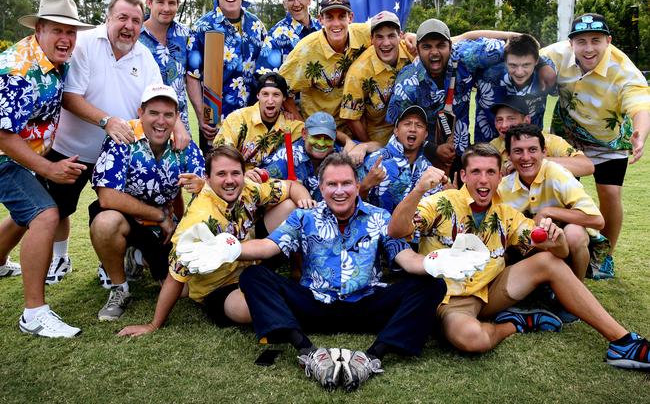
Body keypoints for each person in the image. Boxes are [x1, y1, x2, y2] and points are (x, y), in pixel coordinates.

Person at [388, 143, 650, 371]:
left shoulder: (506, 215)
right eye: (476, 172)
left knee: (548, 262)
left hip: (490, 291)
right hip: (448, 298)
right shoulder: (441, 203)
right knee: (471, 339)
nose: (483, 180)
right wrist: (419, 189)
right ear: (463, 175)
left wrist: (555, 238)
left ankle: (622, 341)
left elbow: (557, 252)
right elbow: (397, 230)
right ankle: (516, 323)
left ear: (499, 176)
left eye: (491, 172)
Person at [225, 153, 447, 391]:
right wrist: (227, 248)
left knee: (432, 284)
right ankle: (308, 352)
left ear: (357, 185)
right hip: (314, 305)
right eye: (332, 184)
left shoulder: (379, 216)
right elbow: (267, 247)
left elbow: (408, 259)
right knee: (253, 276)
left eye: (346, 183)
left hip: (367, 304)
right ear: (321, 188)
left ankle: (372, 357)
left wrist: (441, 262)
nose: (339, 191)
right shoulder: (303, 216)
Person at [43, 0, 179, 286]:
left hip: (120, 155)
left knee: (115, 211)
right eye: (122, 18)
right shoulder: (86, 43)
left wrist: (178, 128)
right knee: (57, 210)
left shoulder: (145, 58)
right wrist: (106, 121)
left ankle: (112, 264)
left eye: (135, 20)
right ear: (108, 18)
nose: (128, 26)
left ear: (142, 24)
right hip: (72, 148)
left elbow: (160, 102)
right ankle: (60, 257)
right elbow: (69, 96)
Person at [117, 145, 314, 335]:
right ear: (208, 179)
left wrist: (307, 203)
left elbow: (291, 187)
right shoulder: (198, 220)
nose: (230, 180)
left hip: (253, 259)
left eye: (235, 173)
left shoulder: (248, 188)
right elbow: (175, 277)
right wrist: (153, 325)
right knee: (252, 309)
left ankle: (303, 271)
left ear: (243, 174)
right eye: (221, 174)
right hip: (220, 285)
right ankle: (143, 258)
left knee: (291, 207)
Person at [0, 0, 93, 337]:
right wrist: (49, 167)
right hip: (5, 156)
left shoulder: (56, 59)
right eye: (57, 30)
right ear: (39, 29)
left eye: (71, 31)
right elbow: (3, 136)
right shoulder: (18, 70)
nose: (66, 38)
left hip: (22, 153)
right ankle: (34, 314)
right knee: (45, 214)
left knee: (26, 213)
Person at [541, 13, 650, 277]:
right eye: (581, 41)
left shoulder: (624, 71)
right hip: (569, 137)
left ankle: (605, 256)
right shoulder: (556, 54)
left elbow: (640, 105)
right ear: (571, 44)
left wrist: (641, 132)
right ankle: (567, 245)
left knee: (610, 194)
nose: (589, 48)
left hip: (609, 142)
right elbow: (522, 52)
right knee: (563, 192)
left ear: (608, 41)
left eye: (596, 40)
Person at [89, 84, 205, 321]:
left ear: (177, 117)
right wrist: (160, 216)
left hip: (161, 228)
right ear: (141, 113)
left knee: (182, 291)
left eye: (168, 114)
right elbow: (107, 196)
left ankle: (138, 257)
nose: (161, 121)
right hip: (128, 218)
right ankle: (119, 289)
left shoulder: (184, 145)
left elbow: (203, 191)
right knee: (105, 222)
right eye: (154, 113)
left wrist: (202, 187)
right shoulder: (122, 137)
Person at [386, 19, 517, 176]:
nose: (434, 52)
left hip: (462, 145)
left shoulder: (464, 56)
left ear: (450, 45)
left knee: (498, 70)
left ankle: (497, 150)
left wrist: (515, 37)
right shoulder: (407, 85)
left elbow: (506, 47)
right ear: (418, 50)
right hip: (423, 150)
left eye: (440, 45)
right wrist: (434, 150)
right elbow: (398, 132)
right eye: (427, 47)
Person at [498, 124, 605, 280]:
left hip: (567, 245)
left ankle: (576, 287)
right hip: (528, 246)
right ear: (508, 155)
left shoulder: (556, 173)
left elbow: (597, 220)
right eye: (518, 151)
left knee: (574, 234)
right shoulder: (503, 188)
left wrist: (547, 212)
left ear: (544, 152)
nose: (526, 157)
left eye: (532, 150)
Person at [187, 0, 267, 152]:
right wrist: (201, 117)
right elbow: (192, 76)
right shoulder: (202, 27)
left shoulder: (256, 26)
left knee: (249, 175)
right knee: (217, 175)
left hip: (251, 121)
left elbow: (265, 73)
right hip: (215, 123)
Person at [278, 0, 371, 128]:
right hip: (320, 132)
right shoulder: (305, 50)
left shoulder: (365, 34)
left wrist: (409, 37)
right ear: (321, 20)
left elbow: (393, 35)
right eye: (329, 17)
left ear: (350, 18)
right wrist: (303, 127)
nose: (336, 23)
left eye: (341, 16)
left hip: (356, 126)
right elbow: (281, 88)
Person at [340, 11, 414, 143]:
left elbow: (443, 44)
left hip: (414, 132)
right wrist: (371, 147)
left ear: (400, 36)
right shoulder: (358, 72)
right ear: (371, 39)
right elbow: (351, 117)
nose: (386, 43)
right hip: (378, 138)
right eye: (379, 37)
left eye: (391, 36)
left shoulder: (412, 51)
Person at [474, 33, 556, 142]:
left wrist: (544, 66)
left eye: (526, 65)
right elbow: (458, 45)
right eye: (513, 65)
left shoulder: (547, 71)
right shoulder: (487, 68)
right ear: (504, 60)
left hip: (528, 146)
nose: (519, 72)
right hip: (488, 145)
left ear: (536, 61)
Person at [360, 105, 443, 213]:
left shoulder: (429, 170)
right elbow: (352, 206)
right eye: (407, 124)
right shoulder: (375, 160)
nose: (413, 129)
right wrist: (365, 187)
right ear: (396, 131)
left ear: (425, 135)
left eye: (419, 125)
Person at [213, 72, 304, 170]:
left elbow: (315, 142)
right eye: (265, 94)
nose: (270, 100)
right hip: (239, 180)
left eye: (276, 95)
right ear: (258, 95)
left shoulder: (293, 127)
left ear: (284, 98)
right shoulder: (237, 119)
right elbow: (220, 156)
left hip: (277, 182)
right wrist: (241, 174)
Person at [489, 96, 594, 177]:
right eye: (499, 120)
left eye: (511, 118)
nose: (504, 125)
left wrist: (537, 162)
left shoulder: (550, 141)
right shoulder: (494, 147)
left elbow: (586, 166)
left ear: (526, 120)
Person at [139, 0, 193, 133]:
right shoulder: (135, 35)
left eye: (171, 3)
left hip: (180, 124)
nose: (166, 8)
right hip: (145, 122)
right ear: (149, 3)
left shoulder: (186, 35)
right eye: (160, 2)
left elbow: (194, 77)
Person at [256, 0, 321, 73]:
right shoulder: (275, 36)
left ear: (309, 0)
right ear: (284, 4)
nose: (296, 4)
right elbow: (266, 74)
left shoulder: (323, 28)